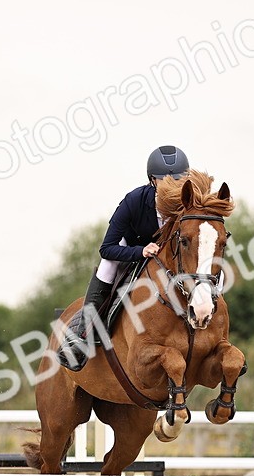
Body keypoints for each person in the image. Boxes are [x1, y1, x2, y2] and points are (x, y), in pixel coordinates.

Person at [57, 145, 190, 371]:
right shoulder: (134, 201)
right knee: (108, 265)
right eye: (166, 180)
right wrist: (140, 251)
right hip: (131, 251)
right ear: (153, 181)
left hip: (172, 260)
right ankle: (82, 334)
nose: (174, 185)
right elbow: (106, 248)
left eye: (179, 180)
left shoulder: (189, 202)